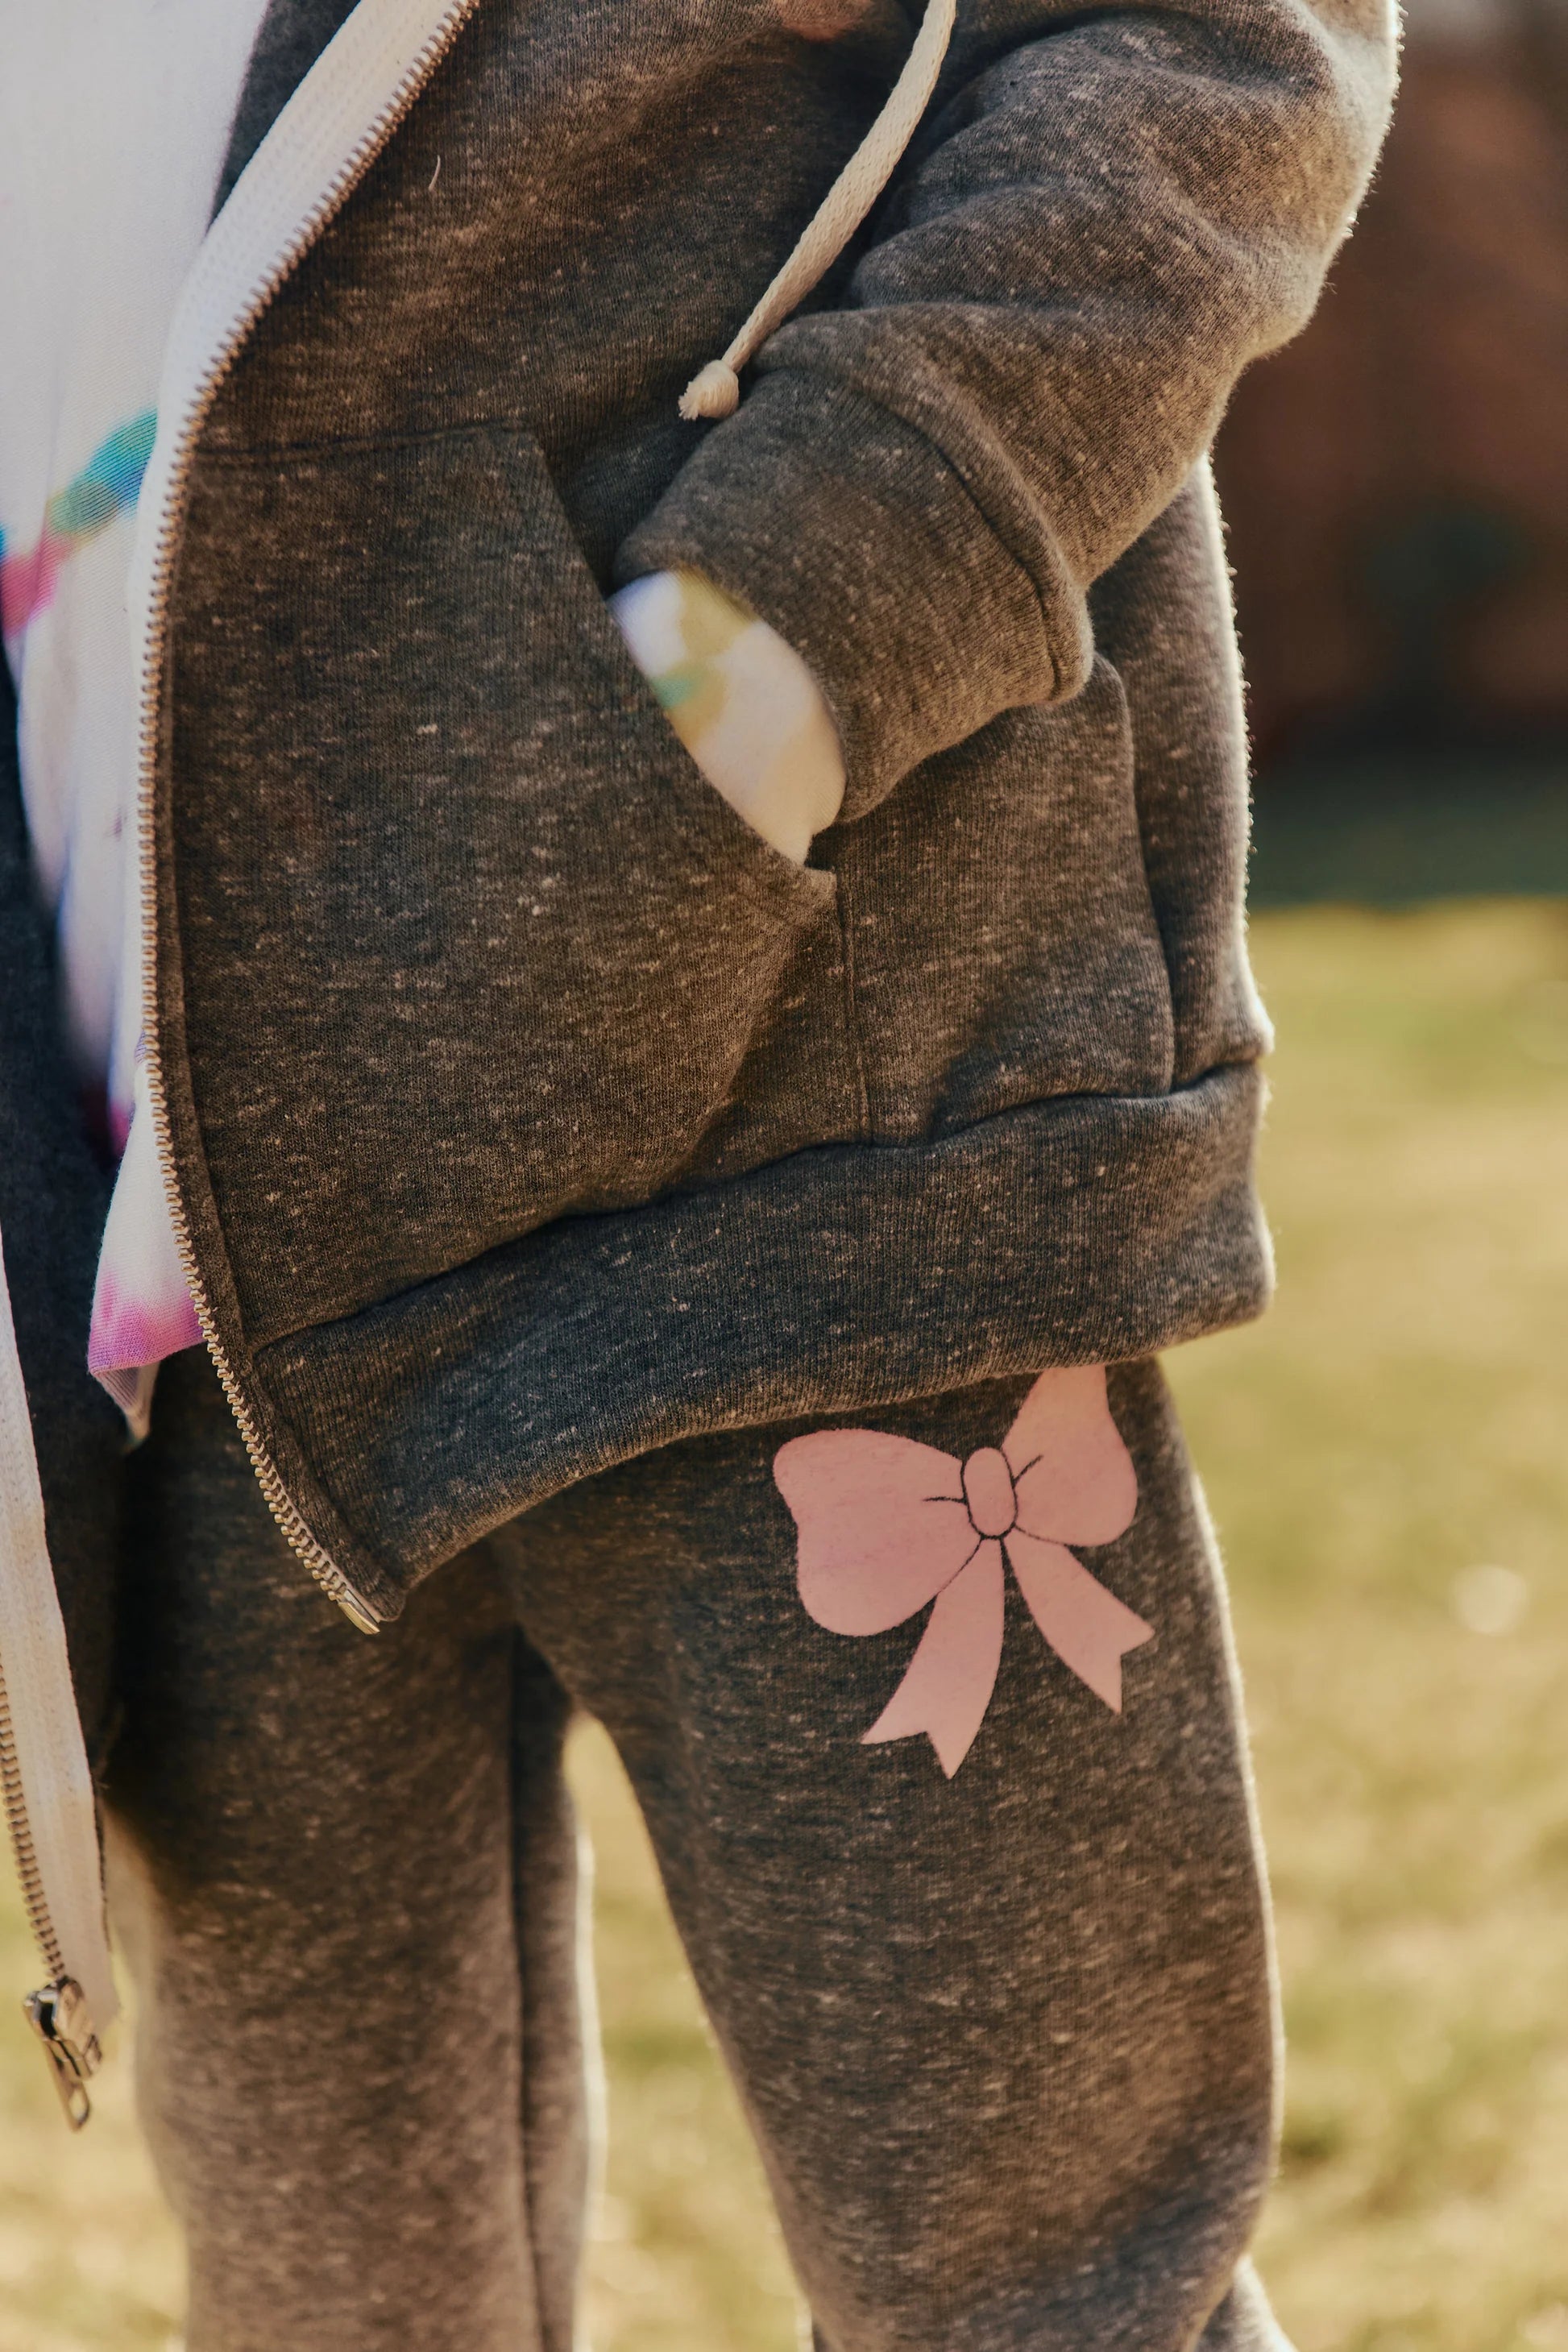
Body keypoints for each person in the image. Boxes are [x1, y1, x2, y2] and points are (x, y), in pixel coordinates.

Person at [0, 0, 1394, 2345]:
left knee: (1033, 2275)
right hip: (178, 1224)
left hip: (794, 1129)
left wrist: (761, 671)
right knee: (337, 2295)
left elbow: (1212, 47)